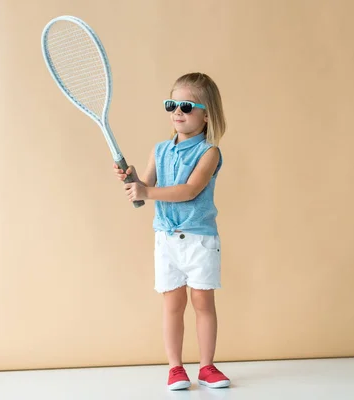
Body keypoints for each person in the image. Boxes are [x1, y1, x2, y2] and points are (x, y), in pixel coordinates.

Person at [113, 72, 230, 390]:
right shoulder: (159, 150)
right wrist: (134, 181)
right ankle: (175, 368)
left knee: (203, 304)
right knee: (172, 306)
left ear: (207, 115)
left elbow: (190, 190)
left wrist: (146, 193)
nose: (177, 111)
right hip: (165, 240)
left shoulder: (209, 153)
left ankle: (207, 367)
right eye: (171, 104)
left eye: (187, 105)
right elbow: (144, 193)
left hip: (199, 240)